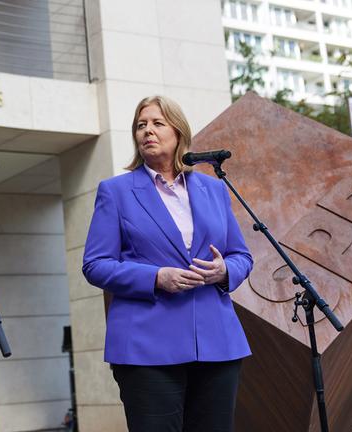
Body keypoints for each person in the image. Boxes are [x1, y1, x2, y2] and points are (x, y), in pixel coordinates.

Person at [82, 95, 253, 432]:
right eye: (140, 125)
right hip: (146, 347)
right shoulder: (115, 192)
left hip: (217, 343)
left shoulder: (213, 189)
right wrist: (156, 277)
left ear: (178, 132)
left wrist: (225, 271)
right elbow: (95, 264)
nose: (148, 131)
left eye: (157, 123)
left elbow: (241, 256)